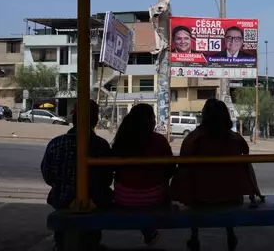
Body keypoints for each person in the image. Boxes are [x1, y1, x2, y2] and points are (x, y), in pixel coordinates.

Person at [171, 98, 261, 251]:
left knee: (190, 177)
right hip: (231, 196)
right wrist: (254, 192)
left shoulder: (194, 139)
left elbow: (183, 168)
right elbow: (246, 162)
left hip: (200, 198)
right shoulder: (236, 139)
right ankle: (230, 233)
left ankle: (194, 236)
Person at [41, 100, 113, 251]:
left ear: (73, 120)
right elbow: (107, 179)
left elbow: (48, 176)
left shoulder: (55, 143)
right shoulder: (101, 145)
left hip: (61, 200)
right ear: (95, 120)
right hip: (94, 201)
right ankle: (91, 243)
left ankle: (61, 243)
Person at [111, 103, 175, 246]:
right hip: (154, 197)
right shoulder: (159, 140)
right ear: (151, 120)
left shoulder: (122, 139)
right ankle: (149, 231)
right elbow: (170, 170)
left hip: (124, 197)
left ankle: (148, 231)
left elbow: (113, 167)